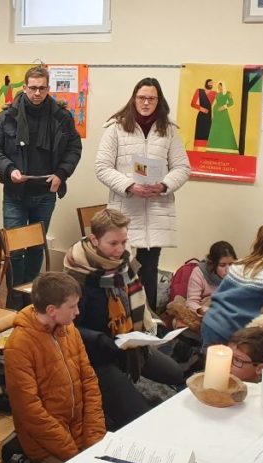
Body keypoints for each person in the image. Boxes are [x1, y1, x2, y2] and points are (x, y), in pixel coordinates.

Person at [63, 208, 182, 429]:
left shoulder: (124, 266)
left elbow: (138, 305)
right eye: (113, 243)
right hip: (97, 355)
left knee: (176, 373)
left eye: (124, 241)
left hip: (128, 343)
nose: (120, 250)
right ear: (94, 239)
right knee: (137, 419)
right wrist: (105, 341)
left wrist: (149, 331)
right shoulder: (78, 278)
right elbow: (68, 329)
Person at [0, 66, 83, 294]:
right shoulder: (7, 116)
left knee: (37, 247)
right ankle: (14, 298)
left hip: (45, 192)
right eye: (33, 88)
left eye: (42, 88)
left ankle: (31, 297)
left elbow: (74, 148)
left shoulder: (61, 116)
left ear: (48, 88)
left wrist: (61, 174)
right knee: (15, 250)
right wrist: (9, 170)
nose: (37, 93)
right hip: (15, 194)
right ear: (25, 87)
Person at [96, 77, 192, 307]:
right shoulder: (116, 128)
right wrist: (130, 185)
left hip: (156, 209)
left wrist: (164, 185)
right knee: (120, 268)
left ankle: (148, 321)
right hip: (125, 209)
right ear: (134, 98)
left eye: (151, 98)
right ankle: (120, 316)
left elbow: (182, 167)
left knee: (149, 269)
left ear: (159, 101)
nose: (146, 103)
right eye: (141, 98)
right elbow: (102, 167)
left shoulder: (168, 130)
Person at [3, 272, 106, 463]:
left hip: (79, 431)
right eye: (72, 306)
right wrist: (73, 453)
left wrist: (94, 438)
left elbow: (89, 382)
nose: (77, 312)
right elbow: (30, 411)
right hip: (46, 443)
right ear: (51, 310)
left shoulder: (70, 330)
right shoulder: (19, 345)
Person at [202, 222, 263, 346]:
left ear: (257, 240)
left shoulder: (239, 264)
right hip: (233, 333)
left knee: (210, 364)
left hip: (211, 322)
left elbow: (219, 294)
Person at [167, 240, 237, 333]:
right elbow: (191, 302)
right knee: (181, 321)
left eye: (231, 264)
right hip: (202, 312)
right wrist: (203, 311)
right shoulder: (198, 272)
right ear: (212, 264)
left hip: (223, 315)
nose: (228, 270)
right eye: (222, 265)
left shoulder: (236, 274)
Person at [207, 81, 237, 152]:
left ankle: (225, 146)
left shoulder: (228, 93)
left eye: (220, 86)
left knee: (224, 127)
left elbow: (231, 103)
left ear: (223, 86)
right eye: (218, 87)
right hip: (216, 113)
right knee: (216, 128)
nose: (219, 88)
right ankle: (214, 146)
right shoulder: (217, 93)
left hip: (223, 112)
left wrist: (224, 107)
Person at [190, 78, 215, 151]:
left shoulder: (214, 93)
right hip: (201, 116)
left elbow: (223, 94)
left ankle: (206, 155)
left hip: (209, 117)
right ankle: (195, 152)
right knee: (199, 134)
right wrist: (201, 109)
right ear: (206, 83)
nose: (211, 84)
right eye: (209, 83)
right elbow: (192, 103)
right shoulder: (199, 91)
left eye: (212, 84)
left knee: (208, 135)